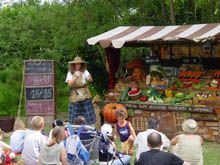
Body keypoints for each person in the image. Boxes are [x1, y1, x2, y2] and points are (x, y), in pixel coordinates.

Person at [65, 56, 96, 126]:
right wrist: (75, 76)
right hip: (75, 95)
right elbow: (69, 85)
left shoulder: (84, 71)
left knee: (88, 113)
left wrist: (89, 78)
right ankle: (75, 128)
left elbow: (90, 79)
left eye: (79, 64)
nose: (78, 65)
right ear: (73, 65)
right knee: (76, 113)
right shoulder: (70, 73)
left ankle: (88, 127)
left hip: (85, 93)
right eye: (76, 64)